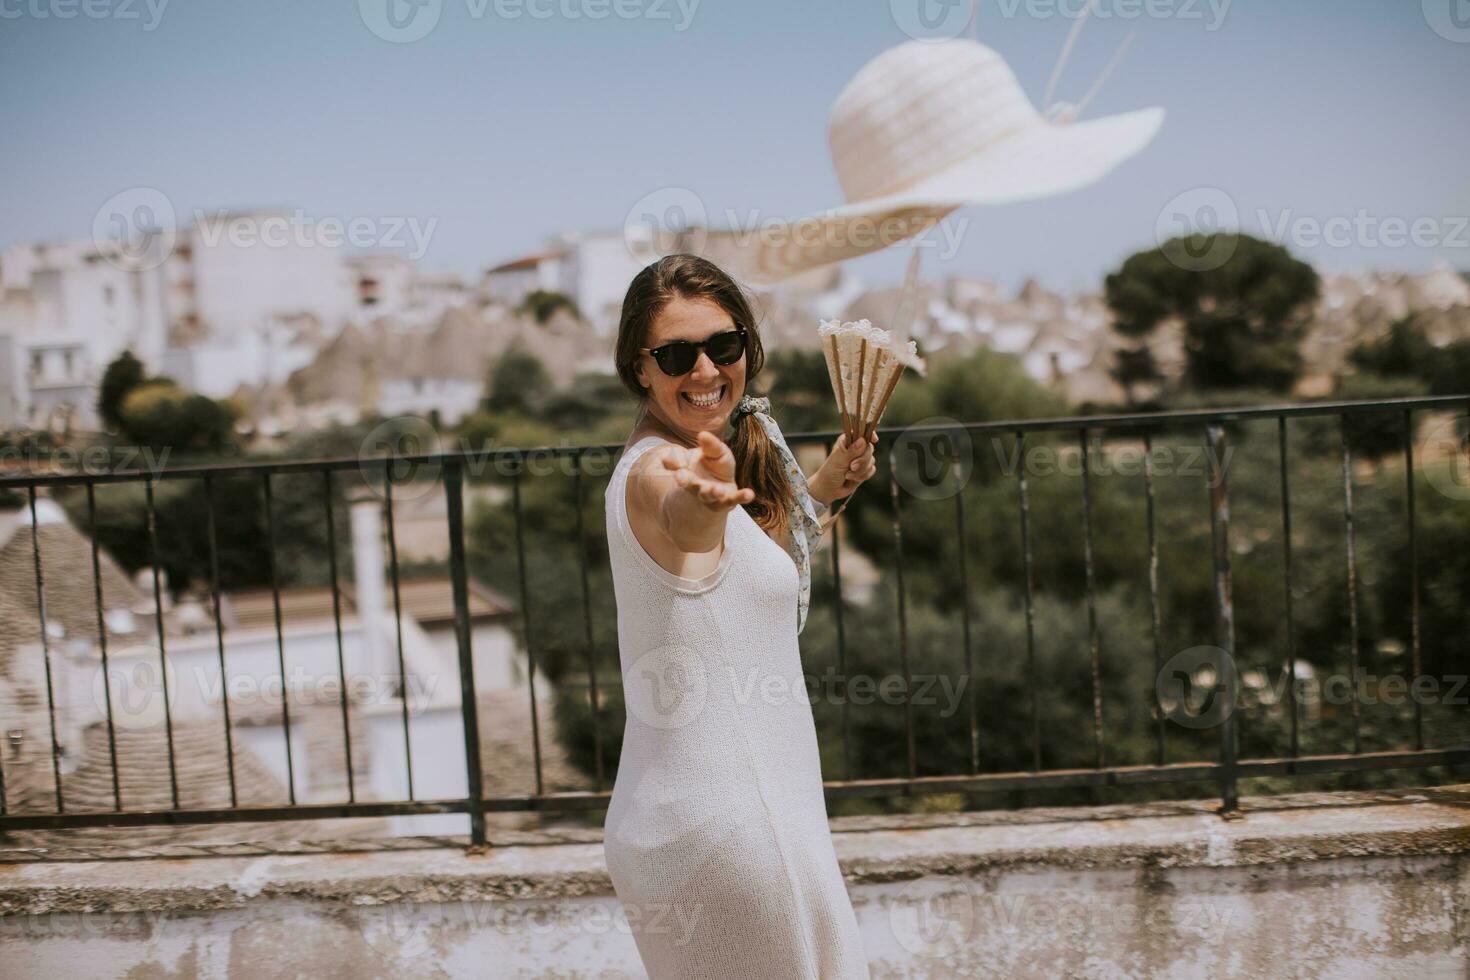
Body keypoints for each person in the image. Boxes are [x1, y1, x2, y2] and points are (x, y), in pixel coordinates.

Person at [602, 253, 875, 978]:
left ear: (747, 349)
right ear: (641, 368)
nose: (704, 370)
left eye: (723, 347)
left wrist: (820, 489)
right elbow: (684, 525)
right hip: (732, 824)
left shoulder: (676, 455)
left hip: (715, 818)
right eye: (676, 354)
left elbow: (735, 577)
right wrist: (701, 503)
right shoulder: (662, 473)